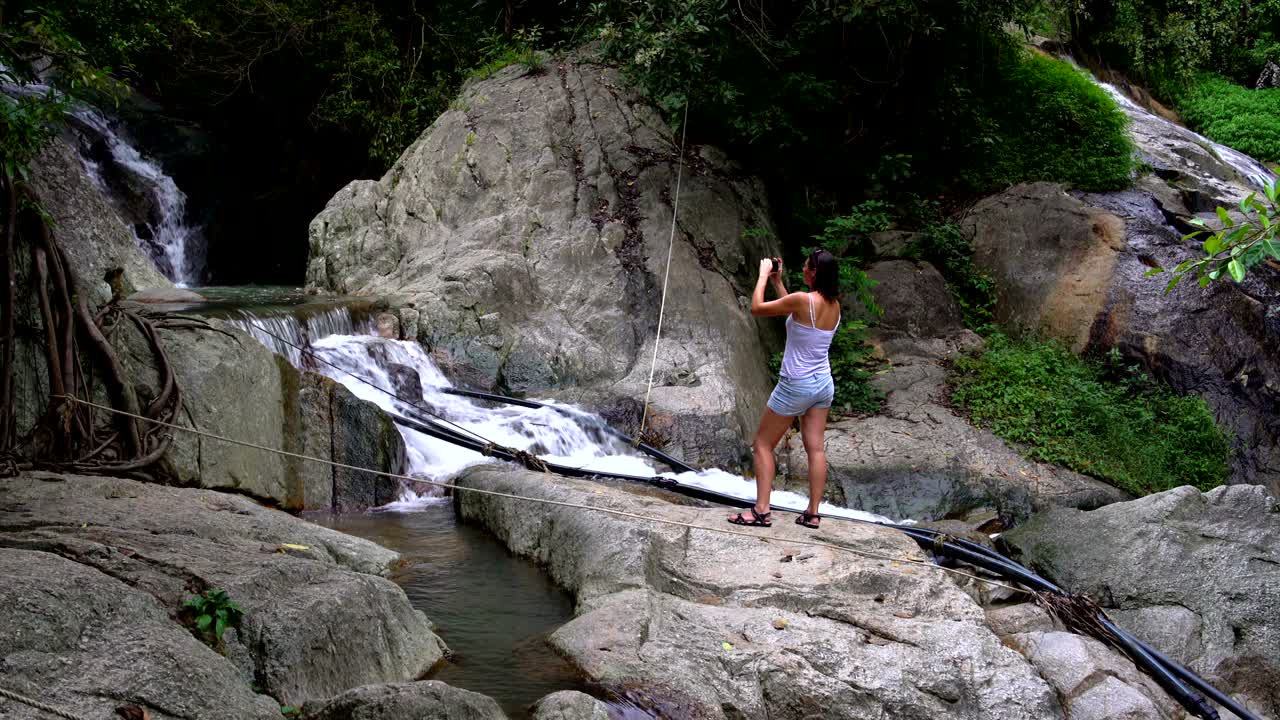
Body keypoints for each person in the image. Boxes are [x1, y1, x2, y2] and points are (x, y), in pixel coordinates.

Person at [728, 250, 841, 529]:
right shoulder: (834, 305)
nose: (802, 269)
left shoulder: (803, 301)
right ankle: (813, 513)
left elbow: (757, 308)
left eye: (806, 266)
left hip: (796, 384)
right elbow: (796, 310)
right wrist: (778, 284)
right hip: (822, 384)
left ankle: (761, 511)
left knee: (763, 445)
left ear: (814, 272)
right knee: (815, 449)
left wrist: (763, 276)